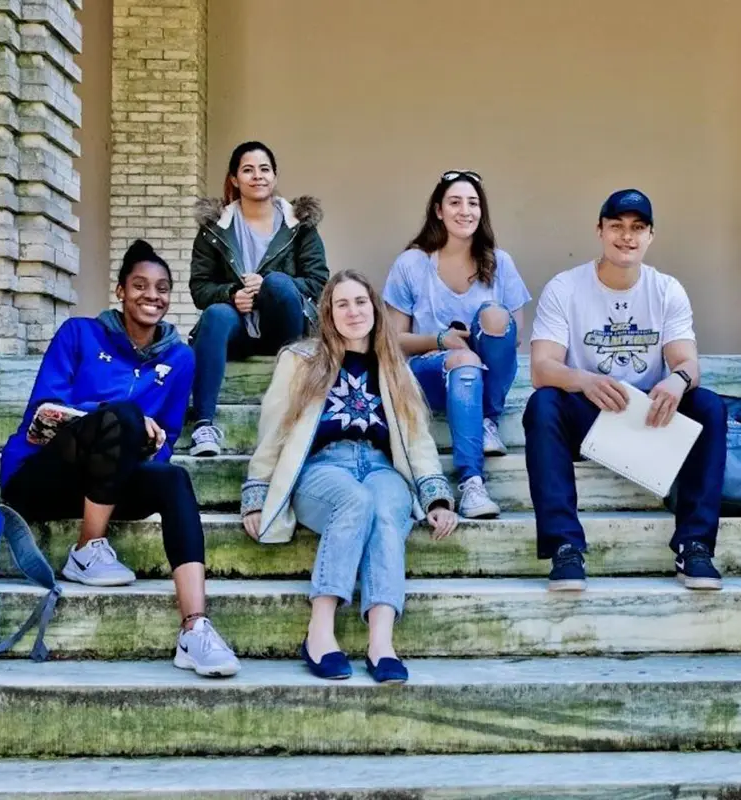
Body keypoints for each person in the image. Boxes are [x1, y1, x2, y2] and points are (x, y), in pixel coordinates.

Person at [0, 240, 241, 678]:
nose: (153, 295)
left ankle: (195, 627)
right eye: (140, 285)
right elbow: (45, 411)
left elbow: (165, 440)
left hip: (110, 482)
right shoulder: (79, 333)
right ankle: (87, 549)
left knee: (174, 478)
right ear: (120, 291)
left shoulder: (180, 358)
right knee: (126, 416)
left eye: (163, 287)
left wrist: (145, 441)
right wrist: (118, 422)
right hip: (41, 477)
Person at [241, 270, 458, 683]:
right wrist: (257, 492)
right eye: (342, 303)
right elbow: (273, 431)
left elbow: (417, 438)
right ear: (328, 313)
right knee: (355, 501)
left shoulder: (393, 366)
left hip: (379, 465)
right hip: (321, 468)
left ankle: (381, 643)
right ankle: (319, 632)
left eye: (360, 302)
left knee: (387, 507)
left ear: (374, 310)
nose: (353, 311)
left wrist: (436, 497)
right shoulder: (300, 360)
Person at [524, 189, 727, 591]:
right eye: (616, 226)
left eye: (637, 228)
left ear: (651, 235)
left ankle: (695, 546)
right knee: (542, 404)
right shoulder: (565, 287)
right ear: (599, 231)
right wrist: (583, 380)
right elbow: (541, 367)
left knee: (707, 406)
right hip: (591, 411)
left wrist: (676, 380)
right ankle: (565, 547)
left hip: (648, 416)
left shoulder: (666, 289)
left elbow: (688, 362)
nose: (626, 236)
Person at [383, 170, 531, 519]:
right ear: (438, 210)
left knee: (495, 316)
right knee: (463, 361)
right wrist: (439, 341)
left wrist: (472, 343)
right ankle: (471, 485)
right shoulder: (412, 264)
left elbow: (514, 333)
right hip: (430, 373)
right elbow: (393, 341)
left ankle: (487, 421)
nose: (465, 211)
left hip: (487, 377)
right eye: (455, 202)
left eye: (473, 203)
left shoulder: (499, 262)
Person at [188, 140, 330, 457]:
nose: (257, 176)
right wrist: (230, 294)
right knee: (215, 315)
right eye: (248, 170)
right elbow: (199, 288)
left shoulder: (299, 226)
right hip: (236, 331)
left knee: (279, 284)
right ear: (235, 179)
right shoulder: (215, 228)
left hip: (284, 327)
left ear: (275, 176)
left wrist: (266, 285)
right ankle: (203, 426)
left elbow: (318, 282)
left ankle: (294, 414)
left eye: (264, 169)